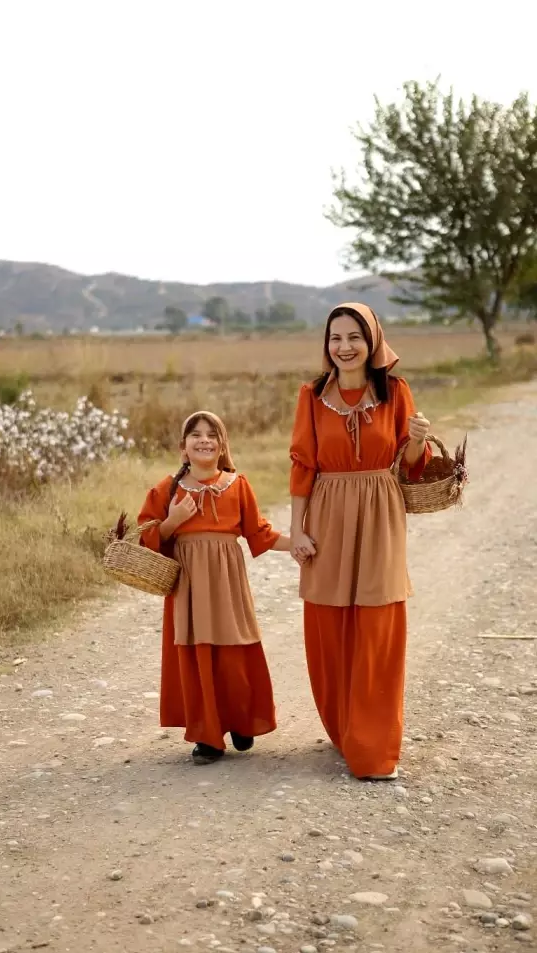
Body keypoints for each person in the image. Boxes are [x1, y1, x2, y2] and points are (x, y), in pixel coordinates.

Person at [289, 302, 431, 781]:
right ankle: (344, 727)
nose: (344, 347)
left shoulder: (396, 391)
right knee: (328, 624)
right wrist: (297, 529)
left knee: (377, 623)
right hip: (327, 511)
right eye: (336, 338)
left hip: (380, 510)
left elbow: (410, 464)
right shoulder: (311, 395)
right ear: (326, 345)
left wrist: (416, 440)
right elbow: (303, 464)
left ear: (372, 342)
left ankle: (373, 748)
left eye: (355, 337)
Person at [138, 410, 293, 765]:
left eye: (212, 434)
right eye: (196, 434)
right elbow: (147, 538)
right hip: (189, 584)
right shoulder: (167, 489)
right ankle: (208, 734)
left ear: (222, 446)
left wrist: (298, 544)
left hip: (227, 581)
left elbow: (259, 533)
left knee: (235, 648)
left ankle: (240, 720)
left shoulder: (238, 485)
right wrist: (172, 521)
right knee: (198, 651)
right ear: (183, 447)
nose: (204, 440)